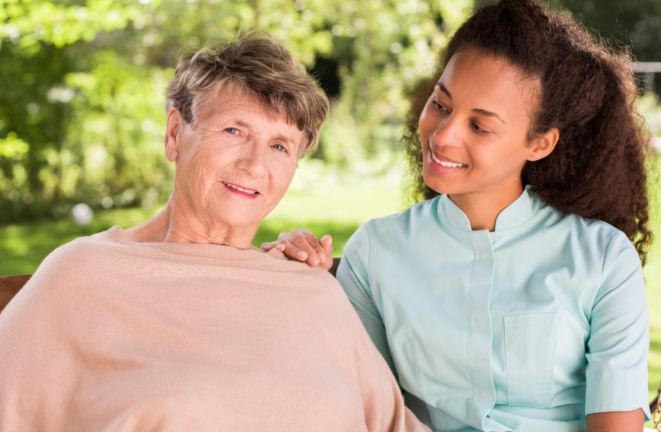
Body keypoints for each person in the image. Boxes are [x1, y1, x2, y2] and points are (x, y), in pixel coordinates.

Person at [0, 32, 429, 432]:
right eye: (233, 131)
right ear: (173, 134)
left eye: (280, 145)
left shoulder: (309, 286)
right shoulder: (81, 278)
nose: (255, 165)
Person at [262, 1, 652, 431]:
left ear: (539, 143)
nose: (443, 136)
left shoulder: (603, 260)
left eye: (480, 126)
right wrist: (297, 286)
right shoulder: (376, 252)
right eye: (441, 104)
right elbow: (362, 409)